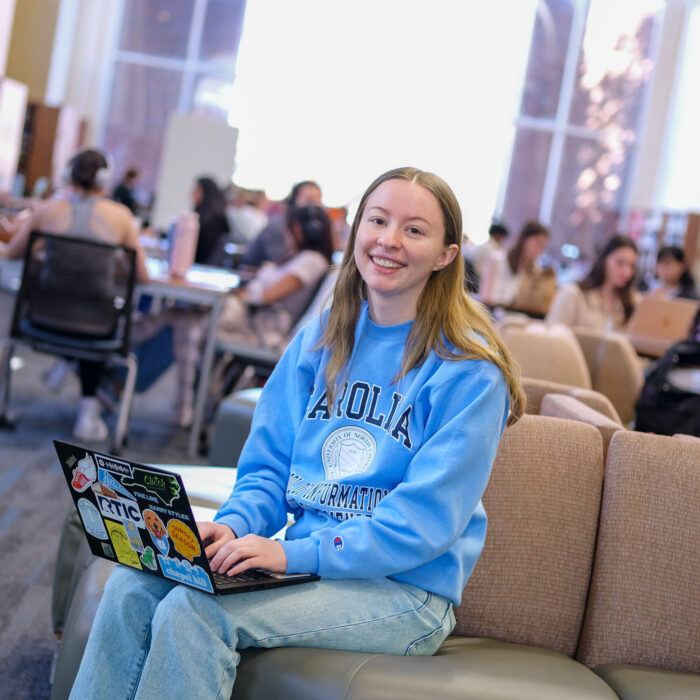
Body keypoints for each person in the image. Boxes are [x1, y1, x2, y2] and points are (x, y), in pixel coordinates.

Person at [70, 166, 524, 699]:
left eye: (415, 230)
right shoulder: (324, 336)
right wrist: (235, 526)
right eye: (377, 221)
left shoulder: (468, 369)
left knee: (196, 610)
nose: (389, 240)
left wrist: (293, 555)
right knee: (130, 585)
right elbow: (268, 468)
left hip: (404, 591)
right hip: (312, 567)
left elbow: (421, 524)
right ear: (356, 230)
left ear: (447, 254)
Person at [6, 148, 149, 442]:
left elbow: (13, 253)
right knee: (97, 311)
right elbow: (143, 276)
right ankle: (88, 411)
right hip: (98, 324)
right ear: (105, 179)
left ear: (67, 175)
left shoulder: (47, 211)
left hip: (43, 318)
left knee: (75, 307)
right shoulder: (121, 217)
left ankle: (63, 369)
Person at [217, 204, 333, 349]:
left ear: (309, 230)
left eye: (292, 226)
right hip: (255, 317)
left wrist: (243, 293)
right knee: (197, 319)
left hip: (264, 325)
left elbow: (268, 296)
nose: (286, 231)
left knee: (201, 323)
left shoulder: (312, 260)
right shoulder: (297, 257)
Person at [546, 234, 640, 332]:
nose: (626, 272)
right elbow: (552, 337)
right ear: (604, 260)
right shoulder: (573, 294)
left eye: (632, 266)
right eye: (620, 263)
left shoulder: (630, 304)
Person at [242, 179, 322, 267]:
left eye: (317, 199)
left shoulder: (314, 226)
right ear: (294, 200)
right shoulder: (280, 226)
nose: (314, 204)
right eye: (308, 198)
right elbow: (281, 264)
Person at [479, 220, 550, 308]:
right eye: (537, 243)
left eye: (542, 246)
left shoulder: (535, 268)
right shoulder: (497, 259)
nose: (539, 250)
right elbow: (486, 297)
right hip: (495, 312)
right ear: (524, 240)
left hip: (517, 313)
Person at [193, 176, 231, 264]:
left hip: (201, 264)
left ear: (205, 192)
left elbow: (201, 248)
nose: (193, 192)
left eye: (197, 189)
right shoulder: (207, 212)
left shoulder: (213, 217)